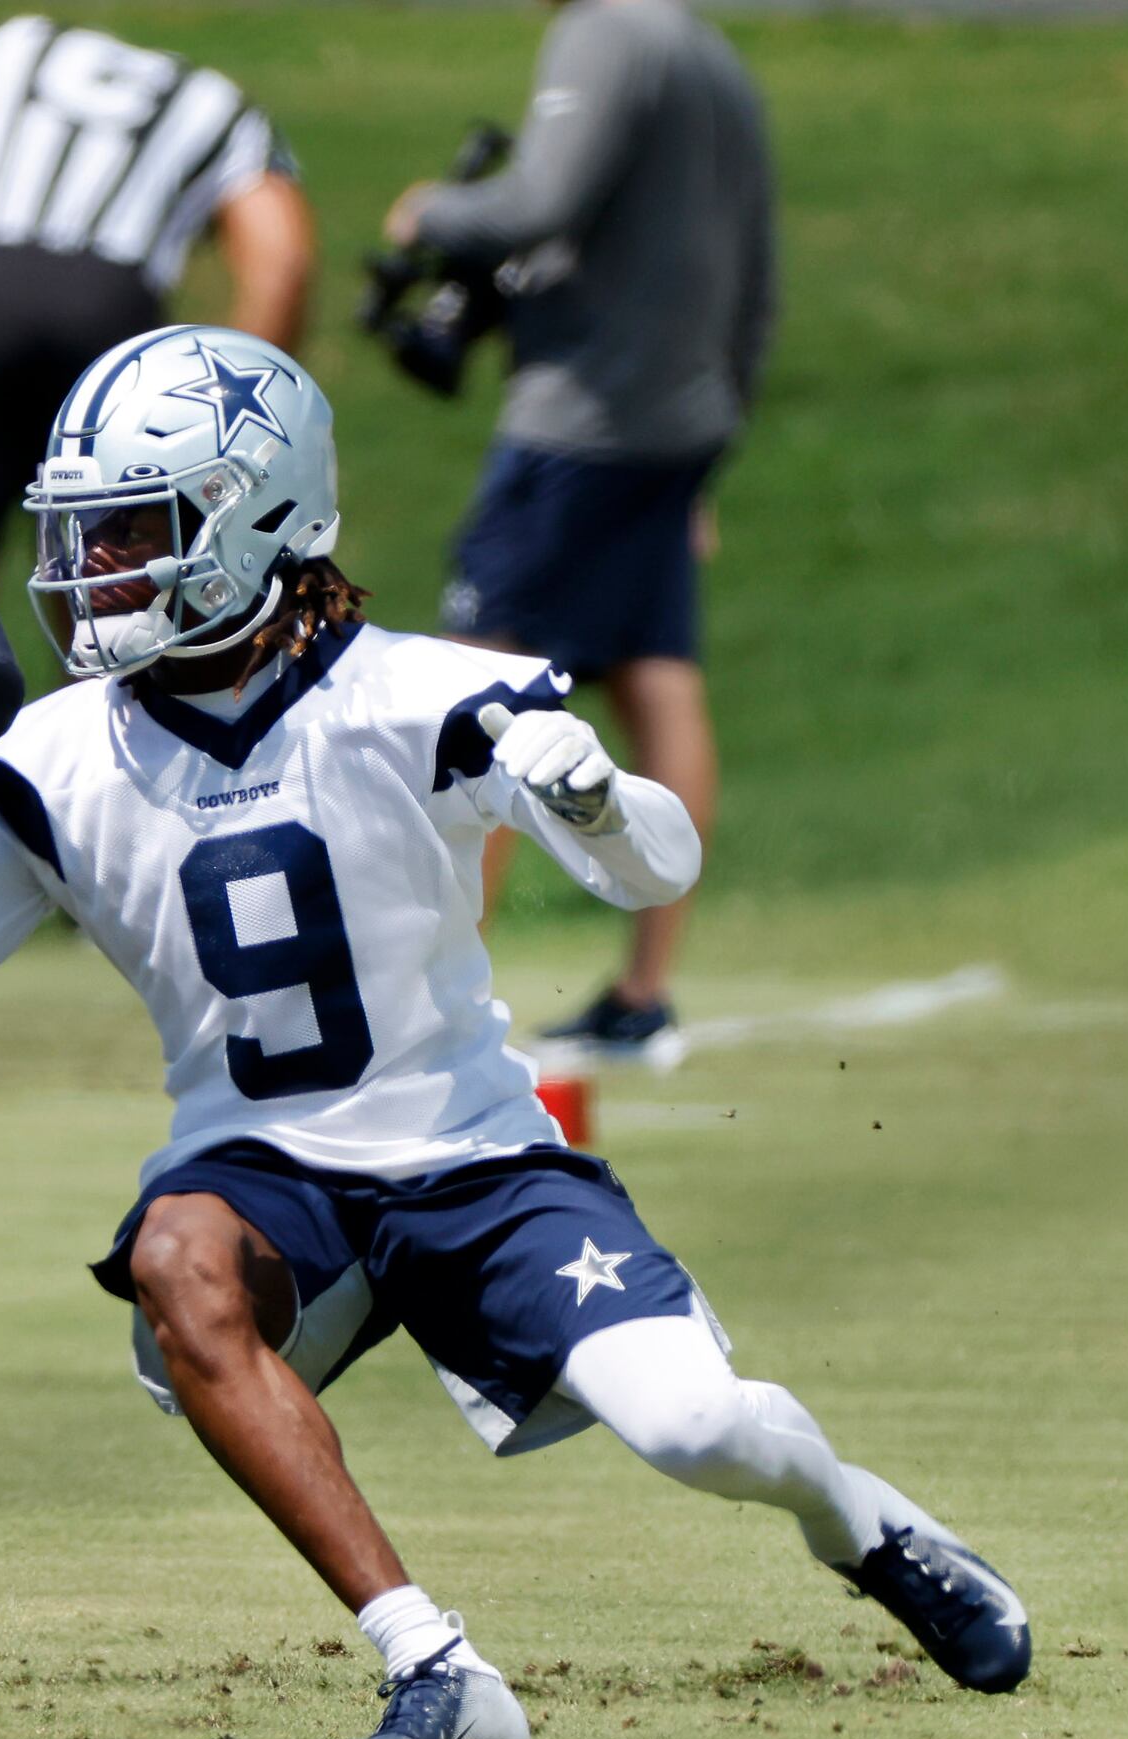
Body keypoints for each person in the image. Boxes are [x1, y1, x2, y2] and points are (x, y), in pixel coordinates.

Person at [0, 325, 1029, 1739]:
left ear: (262, 520)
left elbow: (655, 873)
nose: (90, 569)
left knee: (696, 1430)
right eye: (81, 532)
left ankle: (860, 1522)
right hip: (260, 1170)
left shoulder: (421, 694)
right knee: (177, 1257)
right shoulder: (58, 753)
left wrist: (599, 795)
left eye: (133, 528)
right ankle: (434, 1666)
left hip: (471, 1160)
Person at [0, 14, 314, 857]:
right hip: (112, 328)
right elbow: (280, 263)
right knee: (114, 588)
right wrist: (233, 424)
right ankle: (92, 849)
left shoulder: (1, 49)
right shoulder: (214, 105)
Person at [384, 0, 774, 1055]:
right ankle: (642, 998)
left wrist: (433, 215)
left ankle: (432, 1005)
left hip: (581, 421)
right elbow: (757, 273)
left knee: (472, 686)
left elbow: (537, 201)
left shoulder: (605, 30)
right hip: (678, 418)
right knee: (657, 675)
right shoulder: (712, 55)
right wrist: (708, 444)